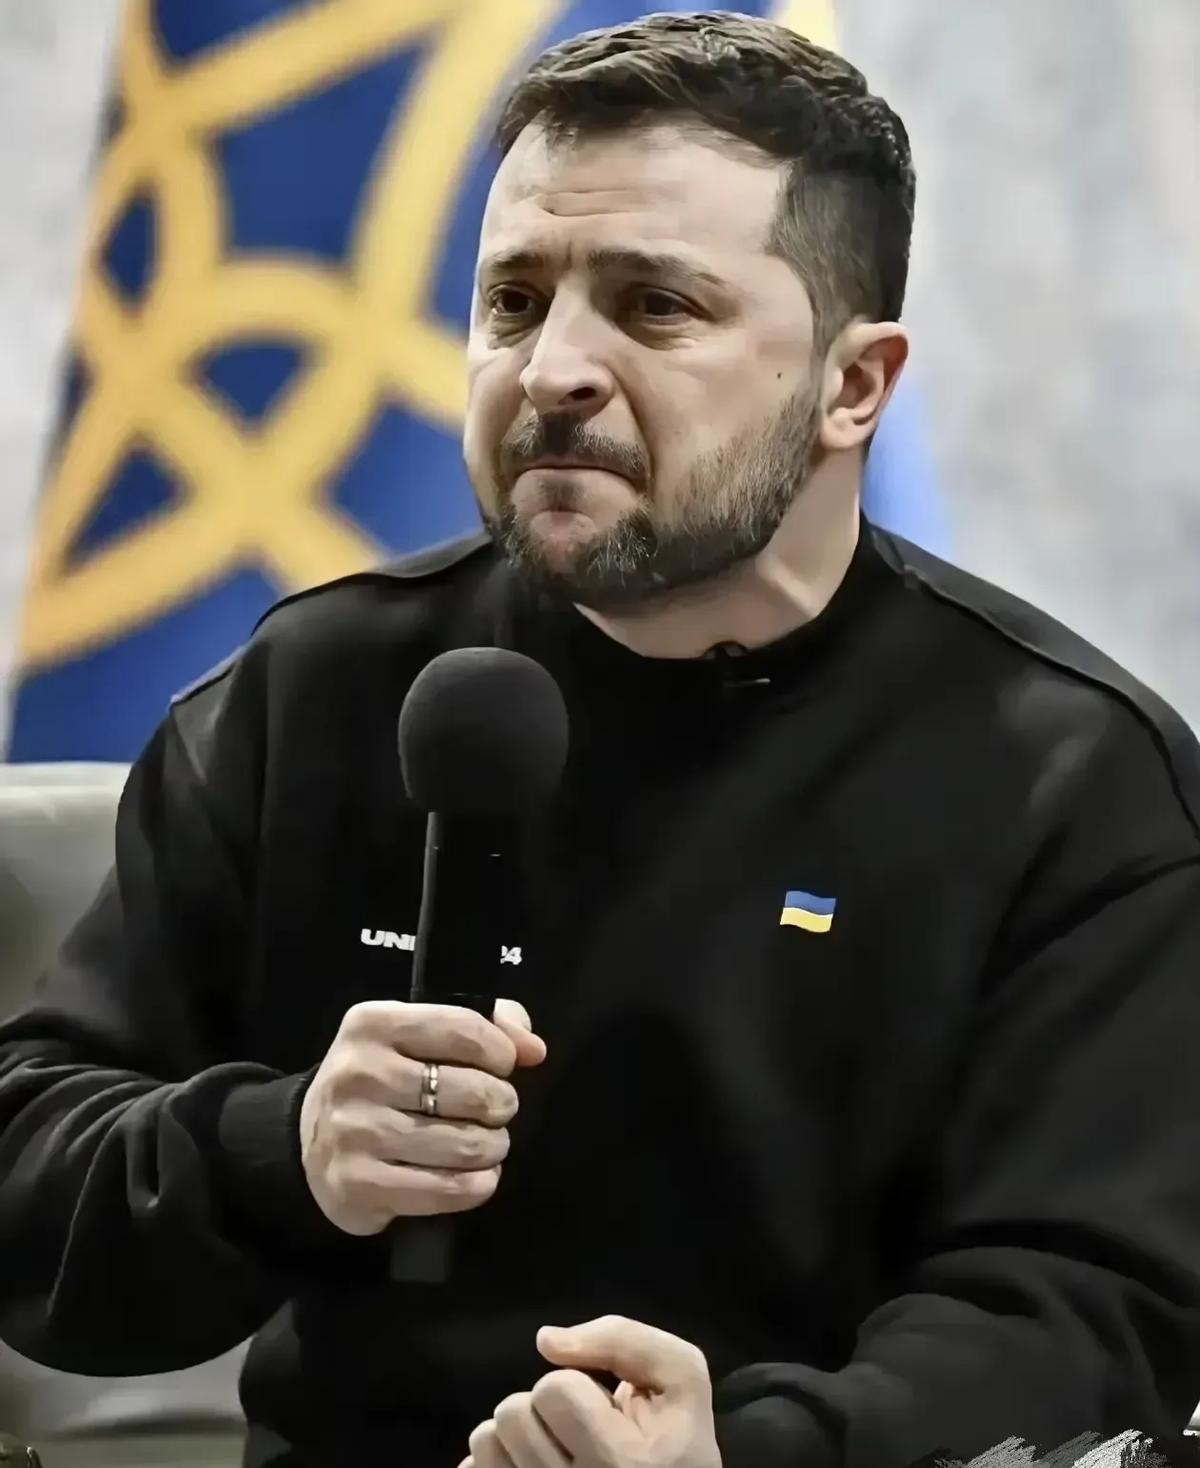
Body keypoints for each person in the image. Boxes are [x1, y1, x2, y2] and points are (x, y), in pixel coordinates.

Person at [2, 12, 1200, 1468]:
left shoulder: (1069, 780)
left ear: (856, 386)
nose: (553, 367)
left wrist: (745, 1453)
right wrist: (280, 1151)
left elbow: (1092, 1313)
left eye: (655, 306)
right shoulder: (316, 690)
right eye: (513, 302)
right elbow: (30, 1167)